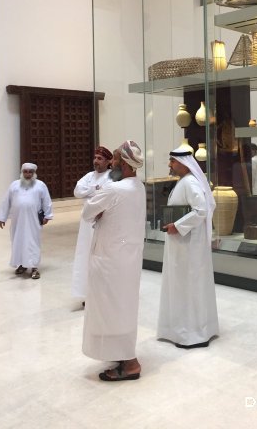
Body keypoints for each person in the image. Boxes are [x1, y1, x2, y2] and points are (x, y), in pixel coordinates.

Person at [81, 140, 146, 381]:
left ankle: (130, 364)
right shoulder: (138, 186)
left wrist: (99, 209)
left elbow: (87, 212)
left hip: (109, 261)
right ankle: (122, 353)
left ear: (126, 164)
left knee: (111, 309)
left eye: (116, 159)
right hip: (127, 260)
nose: (112, 163)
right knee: (122, 308)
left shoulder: (114, 189)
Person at [157, 144, 219, 349]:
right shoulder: (184, 181)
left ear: (183, 163)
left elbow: (201, 210)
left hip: (189, 245)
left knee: (189, 285)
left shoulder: (190, 182)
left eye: (172, 161)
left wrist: (177, 226)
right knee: (182, 285)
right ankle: (181, 329)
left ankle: (192, 334)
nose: (169, 165)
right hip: (182, 243)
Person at [71, 146, 113, 302]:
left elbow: (106, 195)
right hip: (86, 224)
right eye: (95, 158)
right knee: (85, 255)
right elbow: (77, 191)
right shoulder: (89, 176)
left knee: (101, 256)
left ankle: (101, 294)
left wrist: (89, 192)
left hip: (102, 221)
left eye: (100, 159)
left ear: (108, 161)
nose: (96, 161)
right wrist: (95, 189)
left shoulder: (112, 177)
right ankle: (86, 294)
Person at [0, 162, 53, 279]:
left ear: (34, 173)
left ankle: (34, 268)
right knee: (18, 241)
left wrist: (47, 215)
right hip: (17, 221)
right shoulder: (14, 185)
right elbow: (6, 201)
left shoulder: (40, 185)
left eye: (30, 172)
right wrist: (2, 217)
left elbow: (46, 200)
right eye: (25, 172)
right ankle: (22, 264)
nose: (28, 174)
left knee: (32, 242)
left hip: (33, 220)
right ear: (22, 172)